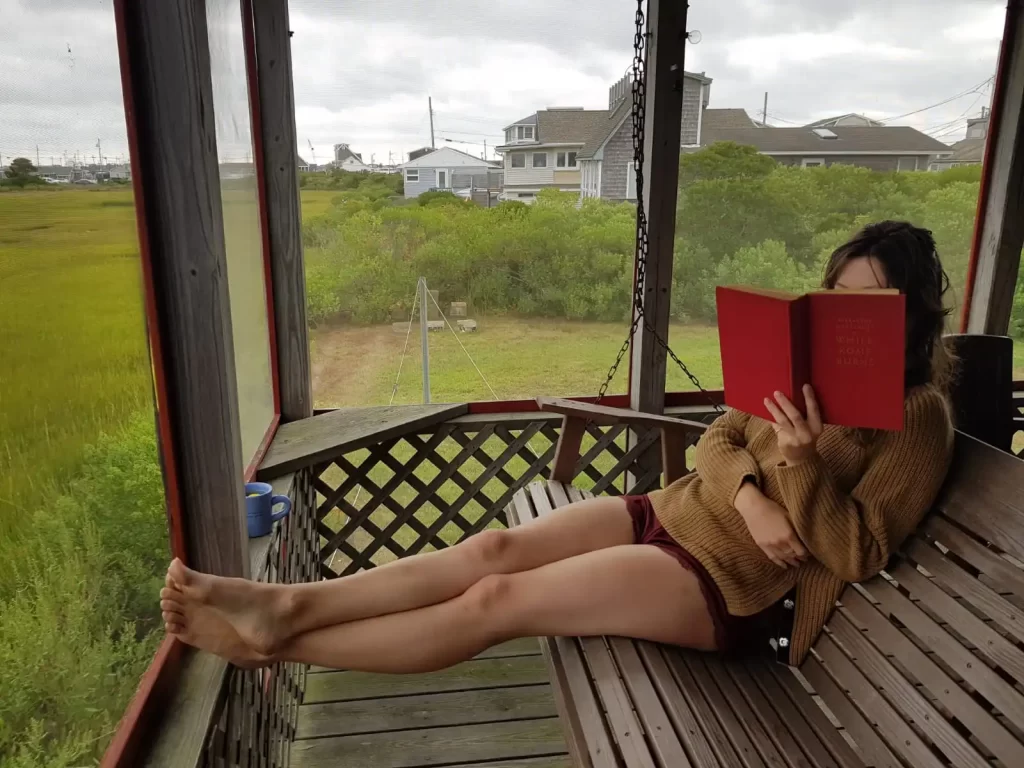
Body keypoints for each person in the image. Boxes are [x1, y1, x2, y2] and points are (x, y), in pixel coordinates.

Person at [160, 220, 955, 671]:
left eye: (874, 299)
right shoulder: (805, 369)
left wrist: (799, 463)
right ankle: (288, 604)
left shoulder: (918, 419)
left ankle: (283, 647)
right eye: (840, 295)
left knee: (496, 604)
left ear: (911, 312)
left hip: (725, 584)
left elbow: (857, 553)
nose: (854, 312)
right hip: (672, 512)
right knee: (493, 549)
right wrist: (751, 493)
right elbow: (718, 437)